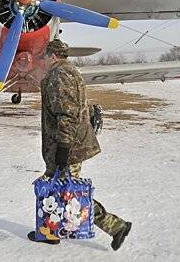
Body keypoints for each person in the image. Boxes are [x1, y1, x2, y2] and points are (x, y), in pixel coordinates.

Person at [27, 39, 132, 250]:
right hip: (67, 143)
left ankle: (116, 226)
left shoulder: (60, 75)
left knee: (67, 192)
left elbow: (66, 114)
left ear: (52, 56)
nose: (43, 62)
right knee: (58, 189)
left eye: (44, 57)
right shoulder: (68, 71)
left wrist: (64, 149)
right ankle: (50, 230)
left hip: (68, 145)